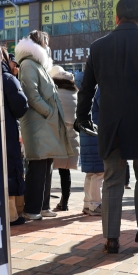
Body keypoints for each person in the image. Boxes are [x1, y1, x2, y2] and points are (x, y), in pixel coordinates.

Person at [76, 0, 138, 254]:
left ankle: (111, 239)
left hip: (111, 124)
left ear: (116, 18)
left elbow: (86, 89)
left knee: (112, 179)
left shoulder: (98, 47)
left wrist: (82, 117)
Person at [16, 31, 73, 221]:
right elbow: (31, 94)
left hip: (44, 124)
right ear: (39, 44)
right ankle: (32, 208)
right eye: (47, 43)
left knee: (47, 164)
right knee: (38, 165)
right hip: (38, 123)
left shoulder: (38, 65)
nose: (49, 47)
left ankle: (44, 206)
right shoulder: (28, 64)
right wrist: (49, 112)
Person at [1, 47, 29, 226]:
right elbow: (21, 106)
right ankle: (11, 215)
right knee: (9, 167)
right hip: (7, 130)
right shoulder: (7, 78)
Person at [50, 65, 80, 211]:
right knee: (65, 170)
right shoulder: (74, 92)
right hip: (72, 134)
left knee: (46, 167)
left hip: (56, 132)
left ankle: (42, 203)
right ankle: (65, 202)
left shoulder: (54, 91)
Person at [80, 88, 104, 215]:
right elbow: (107, 108)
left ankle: (87, 203)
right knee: (98, 172)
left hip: (87, 133)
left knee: (91, 173)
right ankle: (95, 204)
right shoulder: (100, 88)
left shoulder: (86, 88)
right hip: (96, 133)